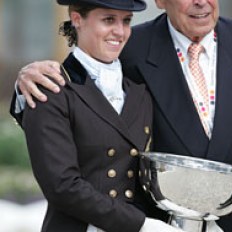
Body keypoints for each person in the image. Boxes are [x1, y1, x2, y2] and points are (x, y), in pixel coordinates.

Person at [10, 0, 232, 232]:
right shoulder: (129, 47)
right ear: (160, 1)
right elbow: (82, 90)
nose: (201, 2)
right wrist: (27, 82)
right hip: (163, 223)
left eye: (124, 21)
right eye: (110, 20)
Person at [11, 0, 189, 232]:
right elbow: (62, 186)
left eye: (126, 21)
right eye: (108, 20)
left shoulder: (139, 92)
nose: (120, 31)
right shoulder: (50, 88)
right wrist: (141, 225)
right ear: (77, 20)